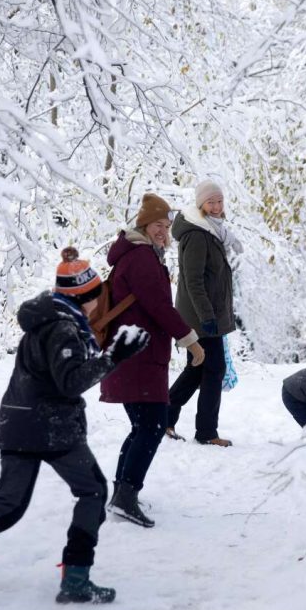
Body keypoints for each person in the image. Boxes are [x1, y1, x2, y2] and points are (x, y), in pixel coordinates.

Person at [0, 247, 150, 604]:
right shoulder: (64, 327)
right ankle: (76, 579)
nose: (101, 301)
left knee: (8, 506)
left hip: (18, 423)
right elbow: (70, 381)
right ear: (87, 297)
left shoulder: (47, 320)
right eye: (98, 294)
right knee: (93, 491)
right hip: (49, 428)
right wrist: (114, 357)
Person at [100, 193, 206, 528]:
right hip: (138, 357)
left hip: (133, 355)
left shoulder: (134, 255)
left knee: (143, 426)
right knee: (153, 425)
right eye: (158, 225)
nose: (163, 231)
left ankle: (122, 493)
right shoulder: (142, 258)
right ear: (144, 225)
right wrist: (191, 341)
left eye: (166, 225)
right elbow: (160, 307)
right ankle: (125, 496)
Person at [165, 180, 242, 447]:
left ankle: (165, 417)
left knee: (198, 369)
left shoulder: (211, 231)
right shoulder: (198, 234)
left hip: (203, 314)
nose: (217, 207)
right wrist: (207, 316)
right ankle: (206, 432)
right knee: (213, 369)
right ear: (201, 204)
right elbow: (193, 279)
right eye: (211, 202)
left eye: (220, 201)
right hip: (200, 316)